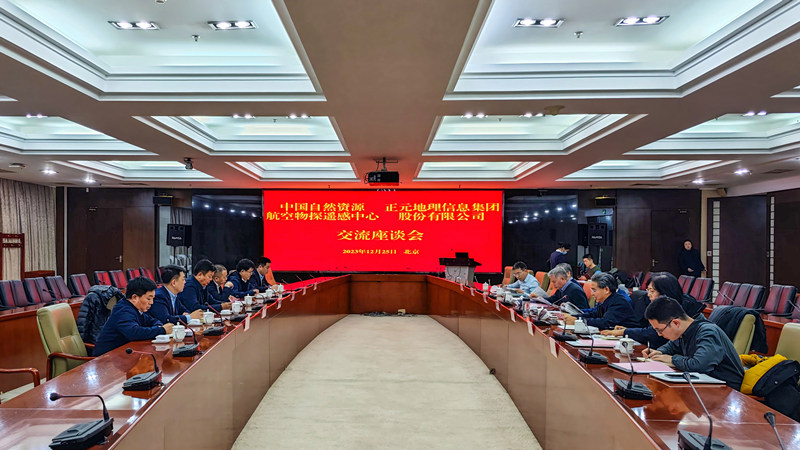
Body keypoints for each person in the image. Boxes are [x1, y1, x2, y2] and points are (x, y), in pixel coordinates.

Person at [642, 296, 745, 389]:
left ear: (676, 323)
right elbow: (671, 346)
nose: (659, 334)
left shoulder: (707, 332)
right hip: (705, 385)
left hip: (728, 391)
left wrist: (671, 359)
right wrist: (659, 352)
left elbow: (699, 365)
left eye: (660, 330)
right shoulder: (685, 330)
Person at [600, 272, 705, 346]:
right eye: (648, 290)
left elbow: (653, 334)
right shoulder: (658, 304)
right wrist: (627, 329)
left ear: (664, 292)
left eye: (652, 291)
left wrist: (624, 332)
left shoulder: (678, 308)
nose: (648, 294)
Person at [93, 277, 173, 356]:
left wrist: (158, 326)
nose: (151, 302)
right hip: (106, 358)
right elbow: (134, 333)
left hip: (123, 354)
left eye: (153, 299)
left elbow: (152, 320)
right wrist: (161, 330)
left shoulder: (135, 308)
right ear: (134, 297)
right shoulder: (123, 310)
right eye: (149, 299)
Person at [563, 272, 639, 330]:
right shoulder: (604, 301)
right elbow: (593, 314)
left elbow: (605, 323)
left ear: (606, 290)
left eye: (594, 290)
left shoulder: (619, 302)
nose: (592, 294)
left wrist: (577, 320)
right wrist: (573, 316)